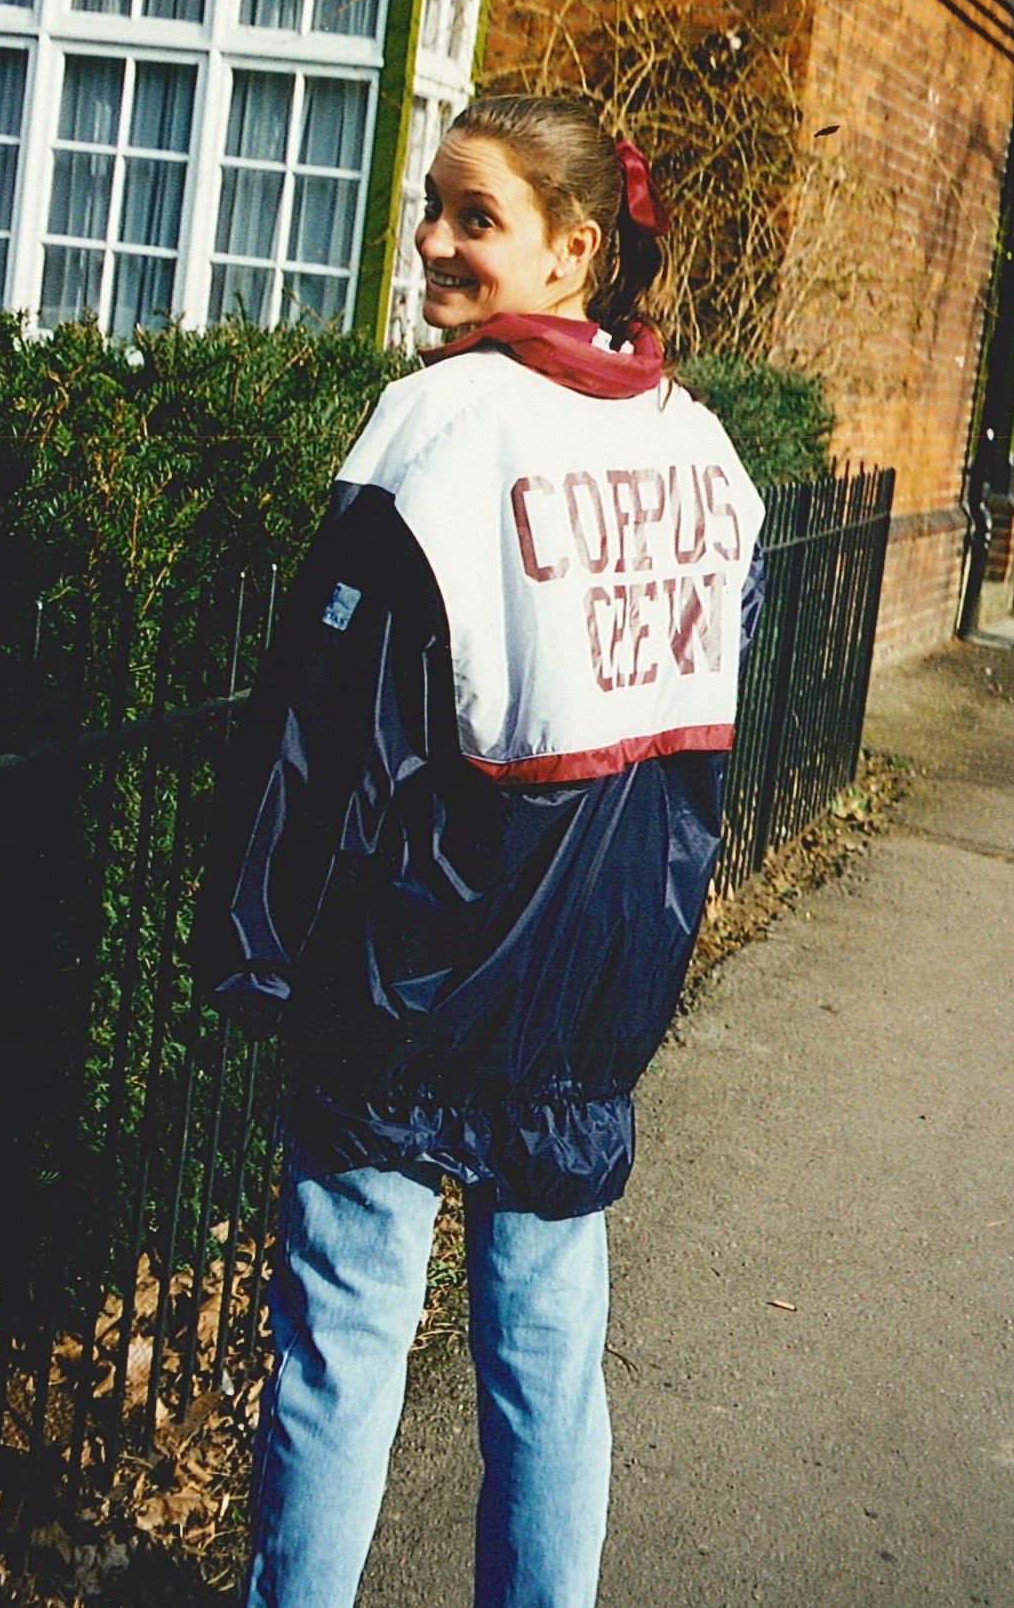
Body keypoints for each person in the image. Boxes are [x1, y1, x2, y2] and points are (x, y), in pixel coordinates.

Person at [209, 94, 766, 1607]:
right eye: (434, 206)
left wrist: (254, 951)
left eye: (477, 216)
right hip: (598, 973)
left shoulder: (439, 425)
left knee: (342, 1347)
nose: (434, 241)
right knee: (547, 1353)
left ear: (575, 250)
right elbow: (704, 696)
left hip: (419, 968)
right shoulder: (705, 451)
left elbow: (326, 735)